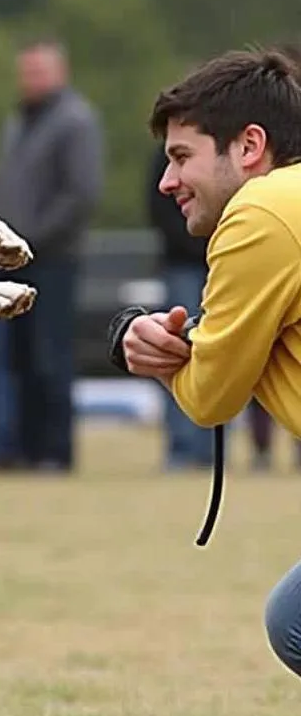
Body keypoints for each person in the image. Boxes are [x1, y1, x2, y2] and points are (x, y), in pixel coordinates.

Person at [110, 47, 301, 683]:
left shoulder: (260, 213)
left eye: (181, 156)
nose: (167, 182)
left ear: (249, 146)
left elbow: (211, 398)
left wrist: (160, 359)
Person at [0, 36, 104, 472]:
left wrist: (30, 241)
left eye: (38, 71)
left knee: (49, 354)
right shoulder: (19, 121)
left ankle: (55, 452)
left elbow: (80, 194)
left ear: (60, 72)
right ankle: (25, 447)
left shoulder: (75, 121)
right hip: (12, 259)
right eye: (26, 72)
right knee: (17, 358)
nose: (29, 80)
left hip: (53, 259)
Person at [146, 139, 213, 470]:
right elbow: (157, 202)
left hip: (218, 260)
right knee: (177, 351)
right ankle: (185, 448)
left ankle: (210, 448)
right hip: (185, 264)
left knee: (222, 354)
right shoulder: (176, 141)